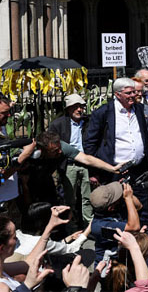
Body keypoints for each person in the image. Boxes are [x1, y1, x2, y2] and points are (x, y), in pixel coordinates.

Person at [84, 77, 148, 227]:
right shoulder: (103, 113)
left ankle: (146, 239)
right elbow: (90, 144)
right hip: (115, 171)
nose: (133, 96)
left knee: (143, 207)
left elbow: (144, 138)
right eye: (129, 93)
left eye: (134, 92)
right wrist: (94, 172)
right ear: (117, 94)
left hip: (140, 169)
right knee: (119, 209)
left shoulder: (139, 109)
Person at [47, 93, 93, 228]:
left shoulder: (88, 122)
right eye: (75, 107)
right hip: (69, 164)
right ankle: (70, 226)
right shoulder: (58, 124)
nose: (79, 110)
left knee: (88, 198)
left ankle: (88, 225)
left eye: (81, 106)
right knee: (68, 198)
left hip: (86, 163)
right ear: (68, 108)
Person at [90, 182, 142, 260]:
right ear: (111, 208)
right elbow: (135, 227)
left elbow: (138, 206)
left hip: (124, 254)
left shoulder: (113, 210)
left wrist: (127, 193)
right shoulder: (99, 226)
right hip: (109, 264)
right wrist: (128, 198)